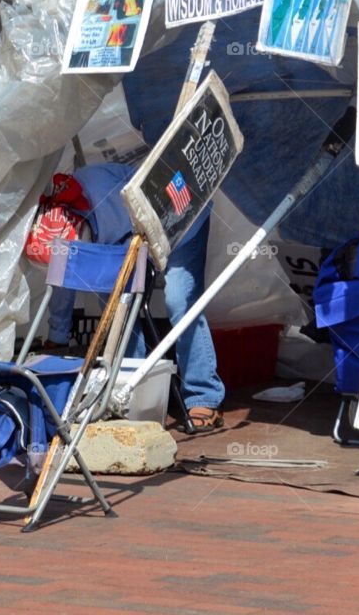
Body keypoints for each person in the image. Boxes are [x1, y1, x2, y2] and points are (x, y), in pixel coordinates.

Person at [44, 163, 226, 431]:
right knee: (117, 304)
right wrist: (55, 339)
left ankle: (204, 394)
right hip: (130, 232)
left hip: (183, 213)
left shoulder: (97, 197)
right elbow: (65, 278)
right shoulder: (61, 228)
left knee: (180, 301)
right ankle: (134, 392)